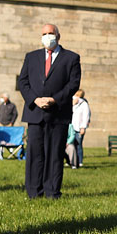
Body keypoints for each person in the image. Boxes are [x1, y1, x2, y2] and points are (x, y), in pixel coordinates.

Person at [17, 23, 82, 200]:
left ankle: (52, 191)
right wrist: (35, 99)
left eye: (50, 33)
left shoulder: (71, 58)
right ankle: (33, 192)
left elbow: (73, 84)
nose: (47, 36)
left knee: (54, 154)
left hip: (58, 113)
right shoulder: (31, 57)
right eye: (44, 33)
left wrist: (54, 99)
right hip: (35, 112)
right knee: (34, 154)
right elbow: (23, 82)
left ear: (58, 36)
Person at [71, 89, 90, 168]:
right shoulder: (72, 102)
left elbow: (86, 116)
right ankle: (72, 161)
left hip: (79, 128)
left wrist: (83, 127)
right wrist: (72, 104)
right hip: (71, 127)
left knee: (78, 145)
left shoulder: (84, 104)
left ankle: (80, 161)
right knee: (71, 145)